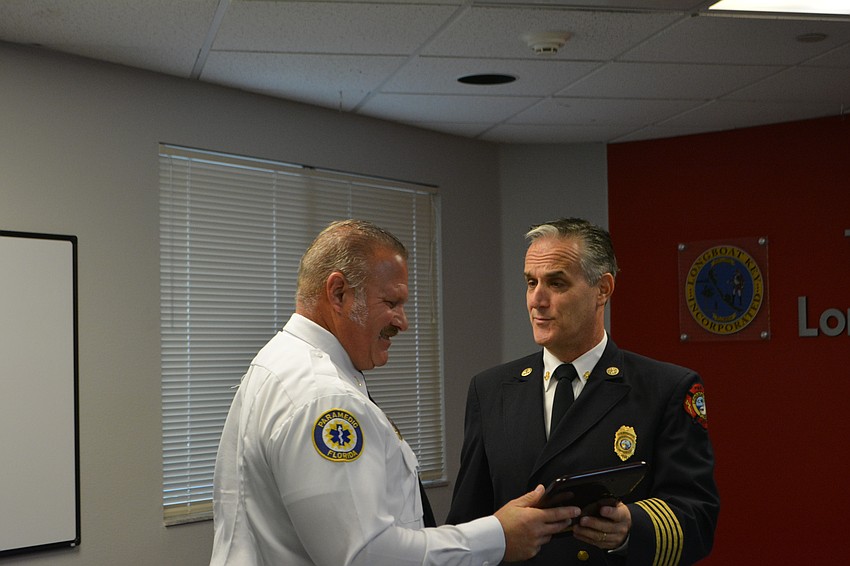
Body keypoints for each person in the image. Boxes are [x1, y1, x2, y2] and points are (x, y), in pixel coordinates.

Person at [210, 219, 577, 566]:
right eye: (391, 303)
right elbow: (365, 555)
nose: (402, 322)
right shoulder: (324, 397)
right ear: (338, 293)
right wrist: (497, 536)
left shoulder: (278, 364)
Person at [446, 218, 719, 565]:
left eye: (556, 283)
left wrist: (630, 527)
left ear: (602, 289)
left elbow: (697, 517)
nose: (537, 300)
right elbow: (467, 520)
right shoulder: (491, 389)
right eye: (531, 283)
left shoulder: (664, 388)